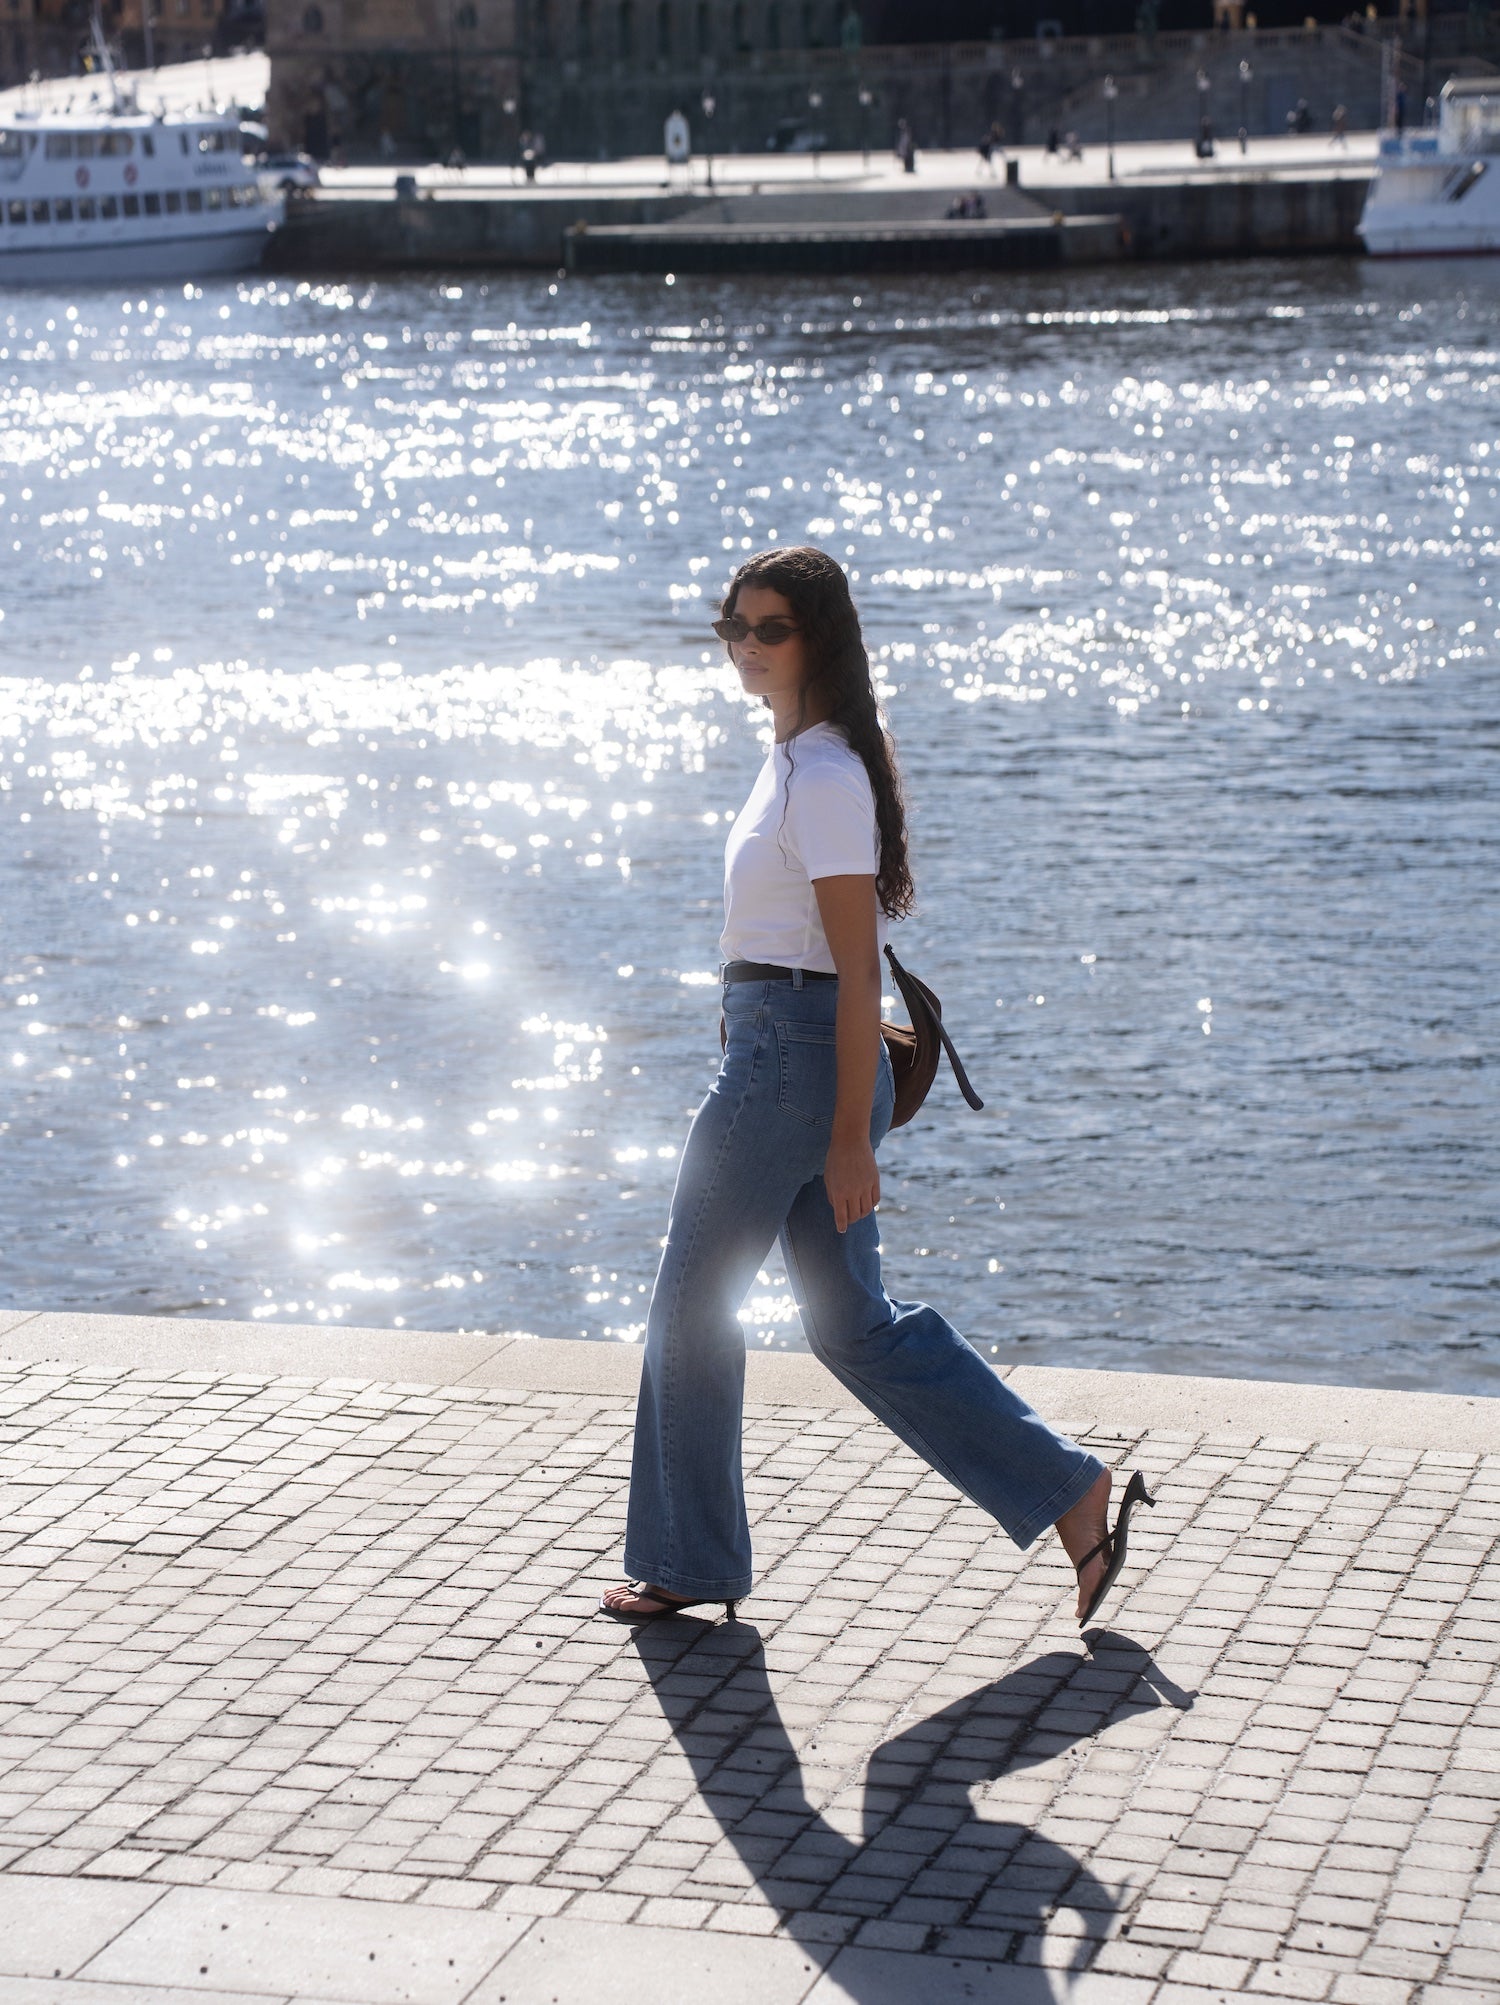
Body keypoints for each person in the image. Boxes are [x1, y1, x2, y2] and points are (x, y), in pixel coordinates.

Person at [600, 547, 1155, 1632]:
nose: (745, 647)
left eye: (769, 629)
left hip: (787, 1068)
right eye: (732, 627)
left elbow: (857, 969)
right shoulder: (797, 761)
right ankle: (1071, 1491)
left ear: (820, 638)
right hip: (791, 1055)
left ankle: (686, 1558)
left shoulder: (824, 777)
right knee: (854, 1326)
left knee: (687, 1312)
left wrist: (851, 1141)